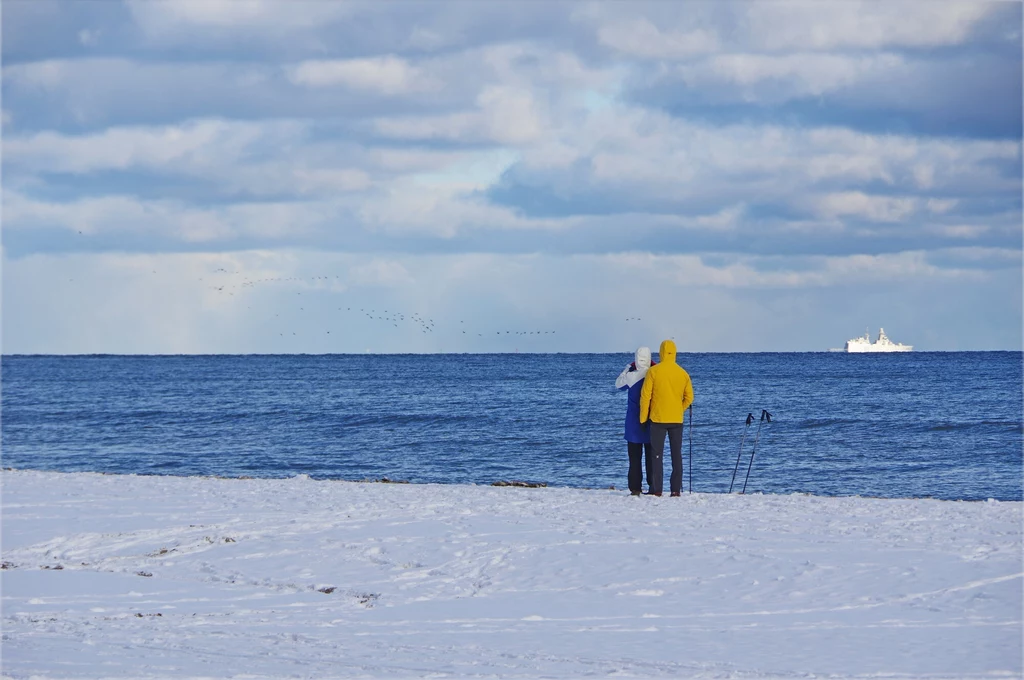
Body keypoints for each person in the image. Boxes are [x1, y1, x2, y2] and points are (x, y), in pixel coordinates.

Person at [639, 339, 694, 497]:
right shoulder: (682, 373)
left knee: (657, 455)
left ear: (661, 352)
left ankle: (657, 489)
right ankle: (675, 490)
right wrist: (679, 408)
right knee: (677, 454)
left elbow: (645, 397)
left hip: (658, 419)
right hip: (676, 419)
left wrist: (643, 418)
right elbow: (689, 397)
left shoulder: (654, 371)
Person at [615, 347, 655, 496]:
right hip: (651, 421)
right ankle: (653, 486)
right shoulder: (654, 373)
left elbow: (618, 384)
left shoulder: (631, 376)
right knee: (652, 457)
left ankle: (635, 488)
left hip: (633, 423)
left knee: (634, 459)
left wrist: (627, 368)